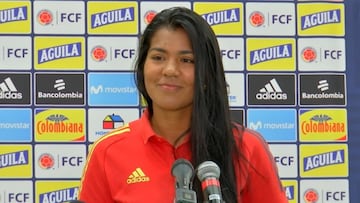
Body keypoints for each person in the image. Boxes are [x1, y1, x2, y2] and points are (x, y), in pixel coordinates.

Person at [78, 7, 288, 203]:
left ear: (207, 74)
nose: (170, 70)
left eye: (186, 60)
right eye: (158, 57)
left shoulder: (247, 147)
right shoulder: (107, 152)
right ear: (143, 67)